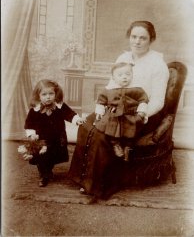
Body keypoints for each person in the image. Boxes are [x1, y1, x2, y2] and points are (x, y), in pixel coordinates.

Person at [69, 20, 169, 200]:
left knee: (102, 134)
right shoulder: (123, 58)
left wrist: (141, 115)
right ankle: (83, 178)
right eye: (134, 37)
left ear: (151, 39)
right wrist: (102, 109)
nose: (137, 42)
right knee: (87, 125)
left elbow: (158, 101)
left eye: (143, 38)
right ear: (129, 37)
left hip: (141, 113)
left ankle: (103, 184)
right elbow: (110, 87)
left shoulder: (157, 64)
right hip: (115, 110)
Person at [24, 79, 85, 187]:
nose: (48, 97)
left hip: (56, 138)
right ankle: (43, 174)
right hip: (41, 139)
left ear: (55, 93)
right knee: (42, 157)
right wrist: (31, 134)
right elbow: (29, 123)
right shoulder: (35, 110)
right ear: (38, 96)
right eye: (44, 94)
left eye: (51, 93)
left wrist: (76, 119)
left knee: (52, 156)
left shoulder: (59, 106)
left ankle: (49, 169)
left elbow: (69, 114)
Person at [94, 62, 149, 161]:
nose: (124, 77)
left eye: (128, 74)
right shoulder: (109, 89)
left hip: (130, 114)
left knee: (132, 130)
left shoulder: (137, 89)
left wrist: (141, 112)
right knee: (111, 129)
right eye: (120, 75)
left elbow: (143, 100)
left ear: (132, 75)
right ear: (113, 78)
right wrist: (99, 112)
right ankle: (116, 145)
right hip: (114, 115)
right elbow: (101, 101)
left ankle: (128, 147)